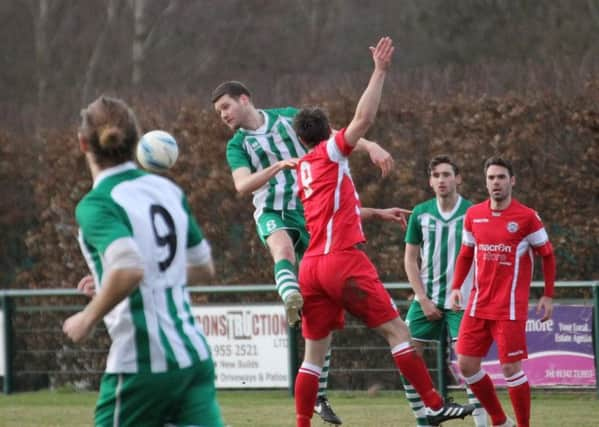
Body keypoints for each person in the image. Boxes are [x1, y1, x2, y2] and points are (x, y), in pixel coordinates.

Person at [293, 36, 474, 427]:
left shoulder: (302, 168)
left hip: (310, 268)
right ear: (328, 135)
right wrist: (379, 71)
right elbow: (363, 120)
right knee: (398, 331)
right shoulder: (330, 152)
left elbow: (337, 210)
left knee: (313, 356)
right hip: (343, 260)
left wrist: (375, 213)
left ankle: (302, 423)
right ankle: (433, 402)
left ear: (300, 139)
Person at [212, 80, 398, 425]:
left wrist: (371, 146)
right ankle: (289, 294)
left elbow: (338, 135)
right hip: (270, 210)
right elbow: (241, 185)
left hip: (306, 212)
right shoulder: (237, 145)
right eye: (218, 112)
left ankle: (318, 395)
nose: (222, 115)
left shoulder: (286, 118)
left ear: (244, 98)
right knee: (281, 248)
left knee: (320, 318)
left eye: (225, 107)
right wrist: (277, 167)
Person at [63, 95, 224, 427]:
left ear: (83, 144)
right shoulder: (167, 190)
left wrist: (87, 317)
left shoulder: (97, 204)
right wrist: (112, 281)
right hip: (193, 357)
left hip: (143, 363)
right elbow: (203, 268)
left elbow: (129, 268)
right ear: (136, 141)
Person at [449, 156, 556, 427]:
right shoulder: (474, 215)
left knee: (511, 369)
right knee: (466, 364)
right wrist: (455, 288)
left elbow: (548, 254)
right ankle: (498, 420)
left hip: (509, 308)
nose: (495, 182)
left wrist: (548, 294)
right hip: (477, 304)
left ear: (512, 181)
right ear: (485, 182)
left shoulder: (527, 217)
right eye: (491, 178)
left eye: (501, 177)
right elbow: (465, 254)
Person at [403, 155, 488, 427]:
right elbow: (409, 259)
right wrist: (422, 298)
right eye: (437, 175)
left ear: (458, 178)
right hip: (427, 298)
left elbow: (485, 256)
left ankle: (484, 423)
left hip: (462, 302)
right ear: (430, 181)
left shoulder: (474, 213)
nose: (442, 180)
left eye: (447, 174)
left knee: (468, 365)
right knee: (405, 353)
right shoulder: (420, 213)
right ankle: (424, 420)